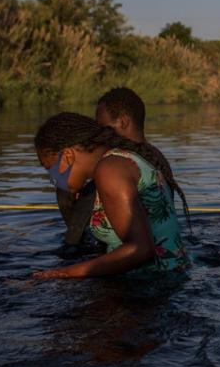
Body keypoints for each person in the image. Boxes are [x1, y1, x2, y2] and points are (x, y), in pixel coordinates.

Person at [32, 112, 190, 279]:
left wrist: (62, 273)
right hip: (167, 277)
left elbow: (141, 249)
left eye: (50, 169)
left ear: (68, 156)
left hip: (151, 283)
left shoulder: (109, 170)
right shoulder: (120, 159)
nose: (53, 179)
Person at [55, 87, 189, 256]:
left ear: (124, 122)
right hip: (164, 250)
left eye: (102, 126)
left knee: (63, 190)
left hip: (135, 258)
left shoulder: (116, 164)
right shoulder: (156, 156)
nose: (99, 133)